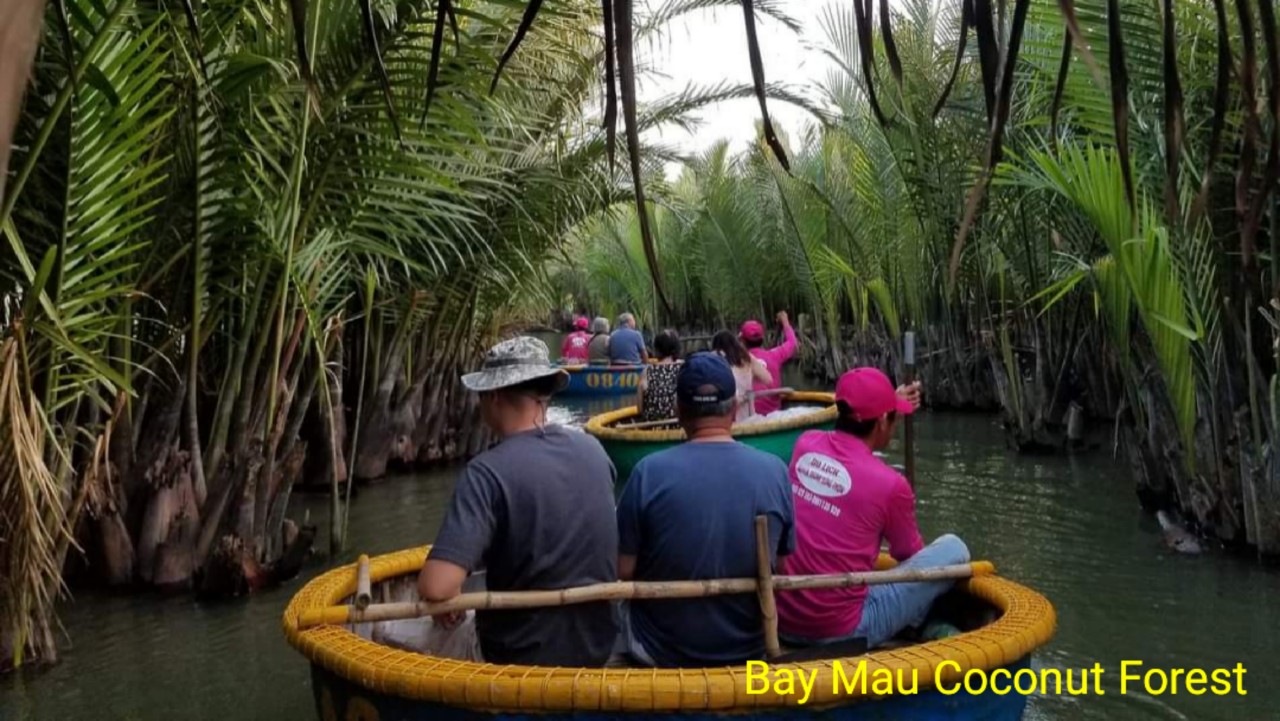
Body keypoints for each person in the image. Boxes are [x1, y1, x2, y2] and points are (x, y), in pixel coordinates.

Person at [416, 336, 619, 666]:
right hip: (596, 647)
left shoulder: (486, 472)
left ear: (494, 396)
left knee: (408, 636)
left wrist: (446, 598)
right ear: (545, 394)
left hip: (518, 656)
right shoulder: (594, 451)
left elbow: (437, 587)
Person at [616, 352, 795, 667]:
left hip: (659, 650)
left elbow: (623, 571)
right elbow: (780, 562)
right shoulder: (776, 471)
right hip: (749, 647)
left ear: (678, 411)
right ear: (735, 409)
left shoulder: (647, 472)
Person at [777, 367, 967, 650]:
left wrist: (887, 405)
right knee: (954, 548)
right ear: (881, 422)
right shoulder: (891, 484)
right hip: (840, 630)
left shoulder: (805, 444)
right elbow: (909, 556)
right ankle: (917, 621)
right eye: (892, 418)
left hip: (782, 618)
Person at [741, 311, 797, 416]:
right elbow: (792, 343)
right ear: (762, 339)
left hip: (748, 418)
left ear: (742, 341)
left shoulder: (737, 360)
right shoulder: (774, 355)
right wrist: (785, 322)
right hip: (774, 415)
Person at [711, 330, 772, 422]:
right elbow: (768, 380)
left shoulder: (712, 358)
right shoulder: (747, 358)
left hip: (723, 420)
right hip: (748, 418)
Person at [636, 330, 682, 422]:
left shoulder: (646, 372)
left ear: (657, 349)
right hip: (678, 424)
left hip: (651, 425)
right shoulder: (683, 369)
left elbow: (640, 409)